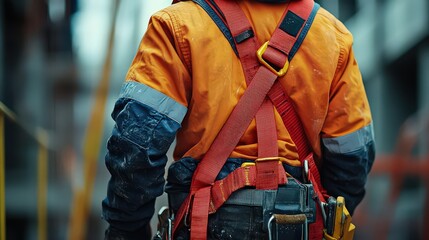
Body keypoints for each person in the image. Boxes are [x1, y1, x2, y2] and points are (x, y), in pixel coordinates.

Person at [102, 0, 376, 239]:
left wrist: (127, 231)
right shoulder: (334, 37)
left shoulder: (177, 26)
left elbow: (137, 147)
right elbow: (353, 158)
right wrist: (323, 219)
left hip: (204, 223)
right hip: (301, 222)